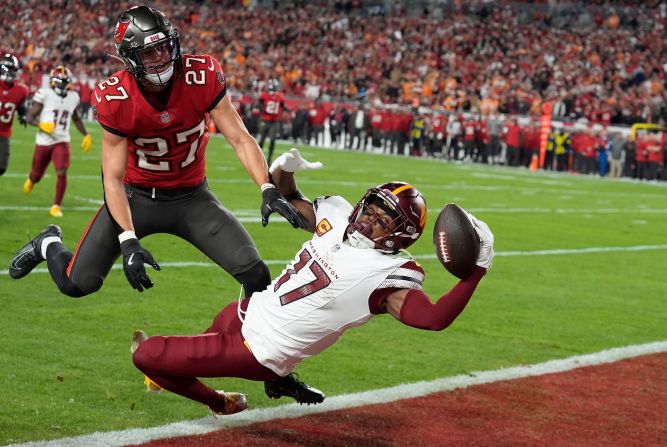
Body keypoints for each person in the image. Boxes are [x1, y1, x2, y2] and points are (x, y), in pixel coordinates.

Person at [8, 6, 316, 405]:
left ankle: (271, 373)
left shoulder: (201, 74)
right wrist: (129, 240)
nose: (160, 58)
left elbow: (239, 137)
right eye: (148, 53)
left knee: (256, 276)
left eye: (164, 48)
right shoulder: (115, 96)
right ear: (130, 59)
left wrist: (266, 188)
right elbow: (113, 180)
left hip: (192, 197)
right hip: (136, 197)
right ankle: (49, 243)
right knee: (77, 284)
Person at [130, 148, 495, 415]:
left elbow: (433, 319)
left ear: (401, 236)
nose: (368, 219)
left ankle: (220, 402)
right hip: (250, 309)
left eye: (384, 220)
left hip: (262, 349)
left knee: (148, 356)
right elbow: (289, 197)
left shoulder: (387, 275)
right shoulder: (337, 215)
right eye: (371, 208)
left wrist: (476, 269)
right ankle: (277, 383)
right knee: (197, 343)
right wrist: (283, 169)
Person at [21, 65, 92, 217]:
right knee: (37, 175)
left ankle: (56, 206)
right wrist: (40, 124)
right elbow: (28, 117)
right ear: (53, 81)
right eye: (59, 81)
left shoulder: (73, 97)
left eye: (65, 81)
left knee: (62, 171)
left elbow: (76, 118)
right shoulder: (45, 94)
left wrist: (86, 134)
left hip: (62, 139)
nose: (62, 84)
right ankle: (32, 180)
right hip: (44, 141)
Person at [0, 54, 30, 177]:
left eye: (13, 70)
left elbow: (21, 106)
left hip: (4, 132)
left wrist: (23, 115)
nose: (10, 73)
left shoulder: (21, 90)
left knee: (1, 167)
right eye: (7, 69)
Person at [257, 78, 285, 162]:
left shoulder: (279, 97)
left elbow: (282, 106)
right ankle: (258, 157)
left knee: (272, 140)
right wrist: (263, 109)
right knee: (262, 140)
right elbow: (258, 104)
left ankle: (269, 158)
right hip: (265, 120)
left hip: (273, 121)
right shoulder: (264, 95)